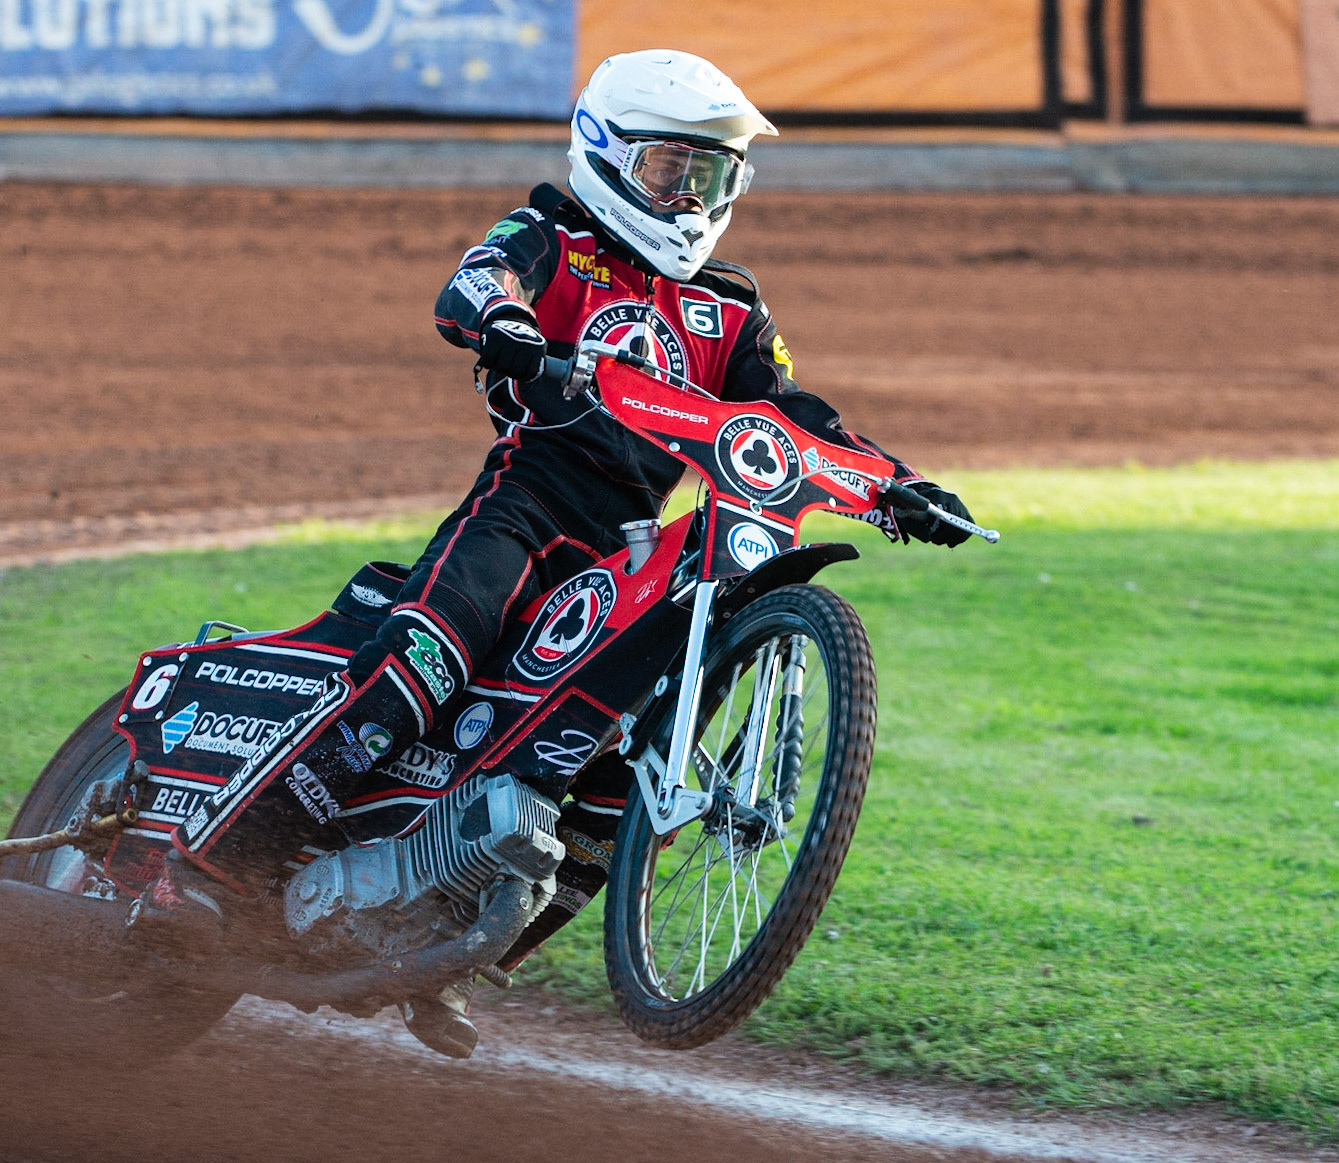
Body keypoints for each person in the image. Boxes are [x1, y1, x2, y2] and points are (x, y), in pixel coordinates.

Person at [133, 48, 975, 1056]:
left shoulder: (732, 304)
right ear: (608, 155)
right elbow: (472, 284)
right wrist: (510, 328)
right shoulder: (555, 233)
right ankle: (205, 867)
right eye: (673, 168)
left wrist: (893, 482)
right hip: (524, 508)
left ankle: (455, 946)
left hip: (622, 544)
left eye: (712, 174)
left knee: (630, 753)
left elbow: (791, 410)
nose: (691, 193)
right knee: (421, 660)